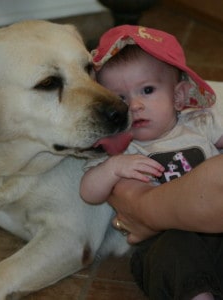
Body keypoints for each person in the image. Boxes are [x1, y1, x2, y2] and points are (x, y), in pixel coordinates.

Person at [80, 25, 223, 300]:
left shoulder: (200, 124)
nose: (134, 105)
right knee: (172, 259)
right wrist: (112, 169)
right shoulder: (122, 149)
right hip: (165, 238)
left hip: (215, 229)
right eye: (120, 98)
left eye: (147, 90)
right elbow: (89, 192)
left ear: (178, 96)